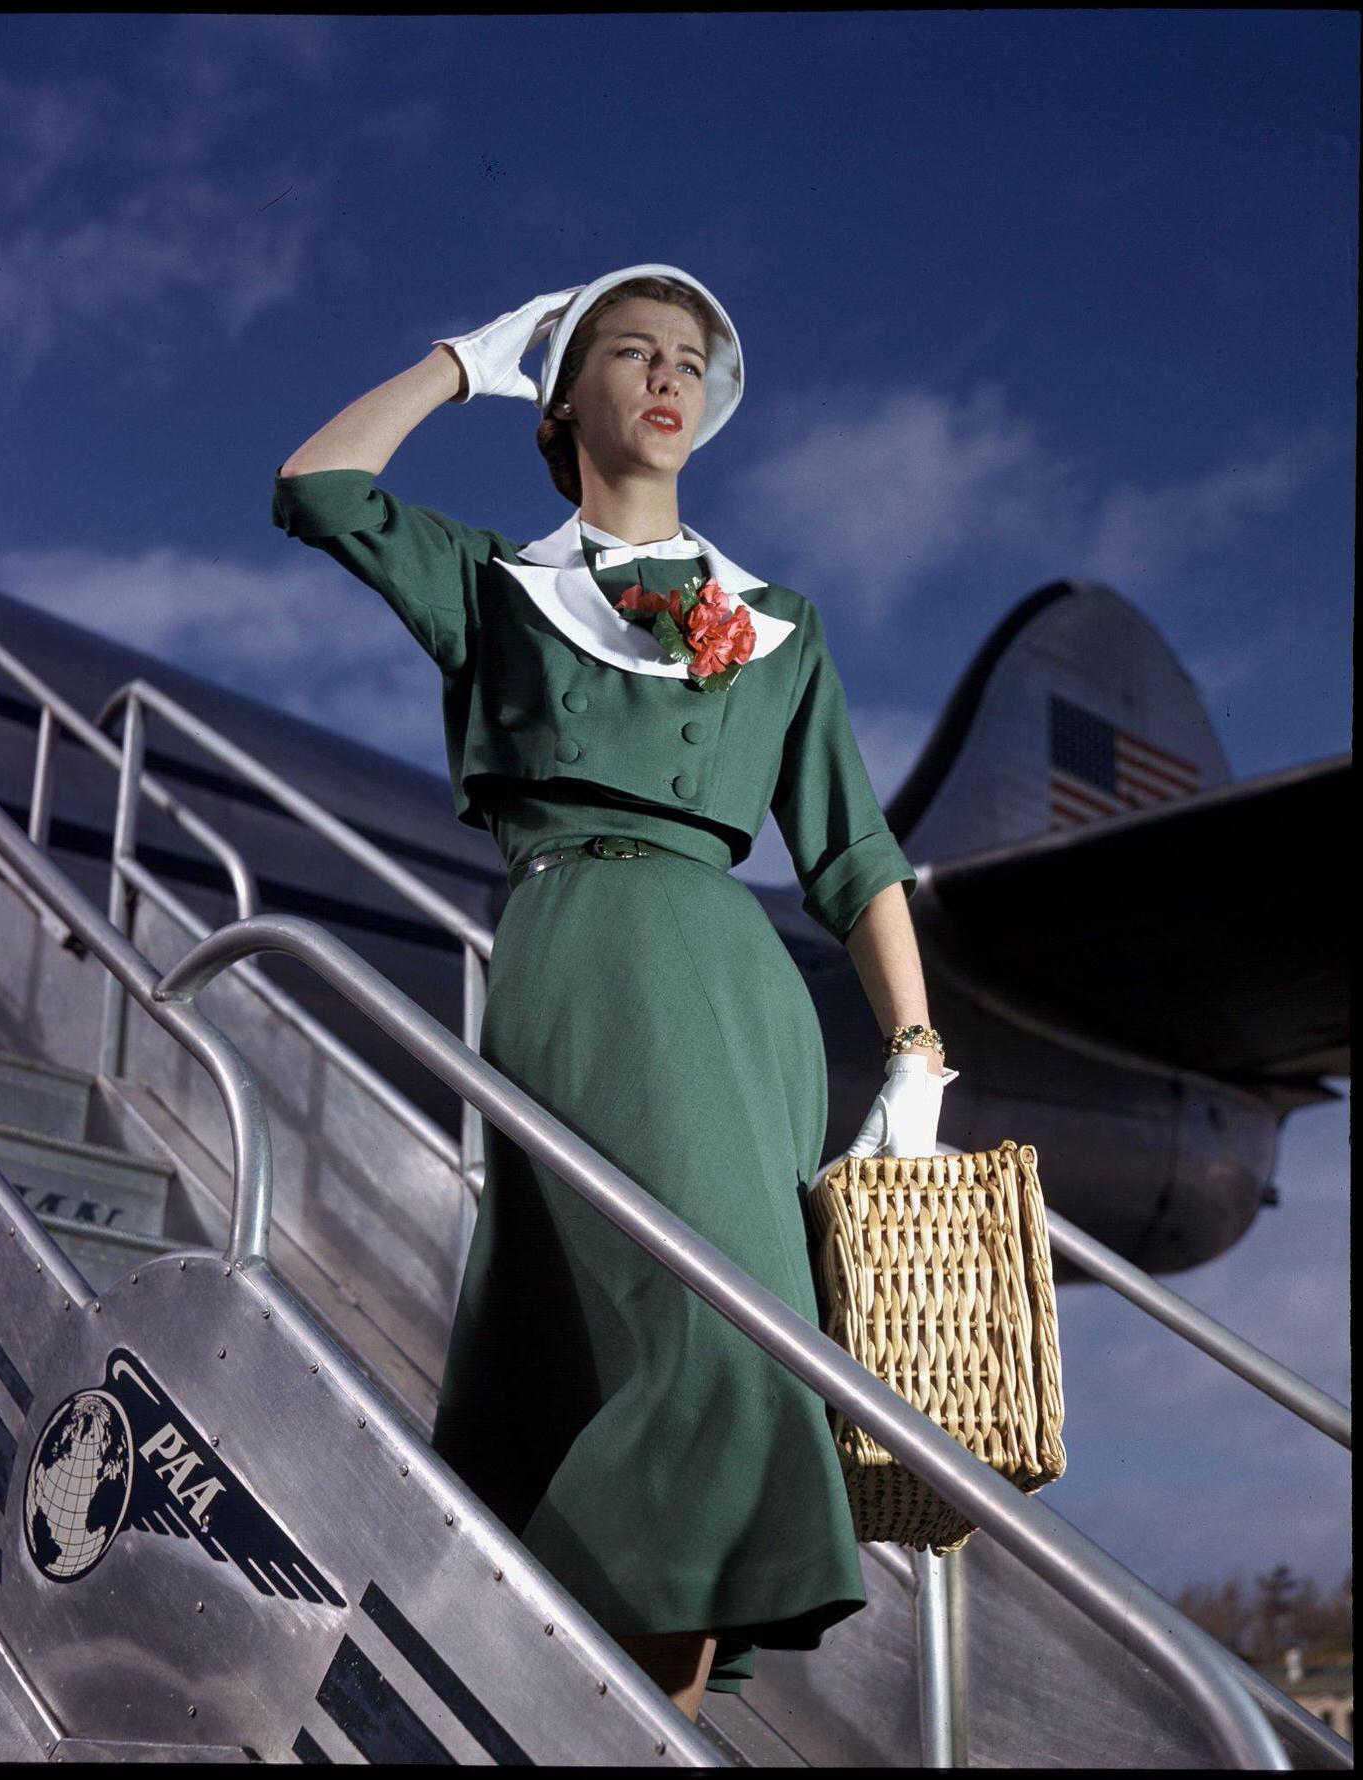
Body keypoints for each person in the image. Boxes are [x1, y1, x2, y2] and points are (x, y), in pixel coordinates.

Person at [272, 265, 955, 1725]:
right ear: (561, 393)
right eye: (626, 352)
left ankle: (610, 1723)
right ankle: (521, 1684)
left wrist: (914, 1050)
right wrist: (467, 357)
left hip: (737, 992)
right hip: (582, 957)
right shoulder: (498, 586)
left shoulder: (779, 623)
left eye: (692, 359)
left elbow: (851, 851)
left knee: (699, 1358)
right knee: (719, 1356)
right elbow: (320, 487)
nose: (668, 375)